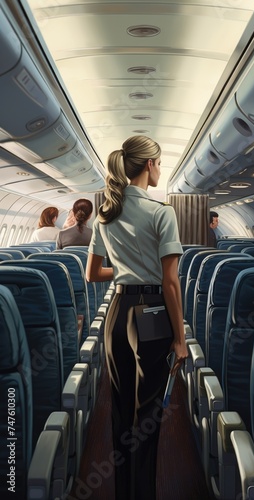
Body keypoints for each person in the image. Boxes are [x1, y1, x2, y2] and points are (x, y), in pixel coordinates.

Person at [86, 135, 188, 500]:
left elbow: (92, 275)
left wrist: (126, 271)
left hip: (119, 310)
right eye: (159, 163)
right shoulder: (162, 212)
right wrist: (180, 339)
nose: (159, 169)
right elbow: (170, 282)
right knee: (147, 415)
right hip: (153, 311)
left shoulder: (106, 214)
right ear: (149, 165)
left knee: (119, 408)